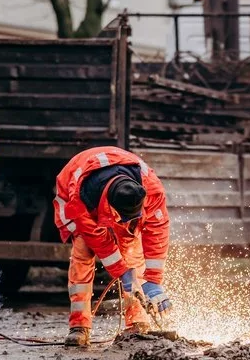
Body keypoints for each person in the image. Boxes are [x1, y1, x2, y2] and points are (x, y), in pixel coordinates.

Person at [53, 146, 171, 347]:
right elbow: (100, 243)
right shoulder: (83, 197)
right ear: (112, 206)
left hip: (109, 188)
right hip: (74, 196)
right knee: (83, 252)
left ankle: (137, 322)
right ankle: (79, 326)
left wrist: (153, 280)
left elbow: (157, 230)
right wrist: (123, 273)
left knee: (132, 253)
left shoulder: (151, 188)